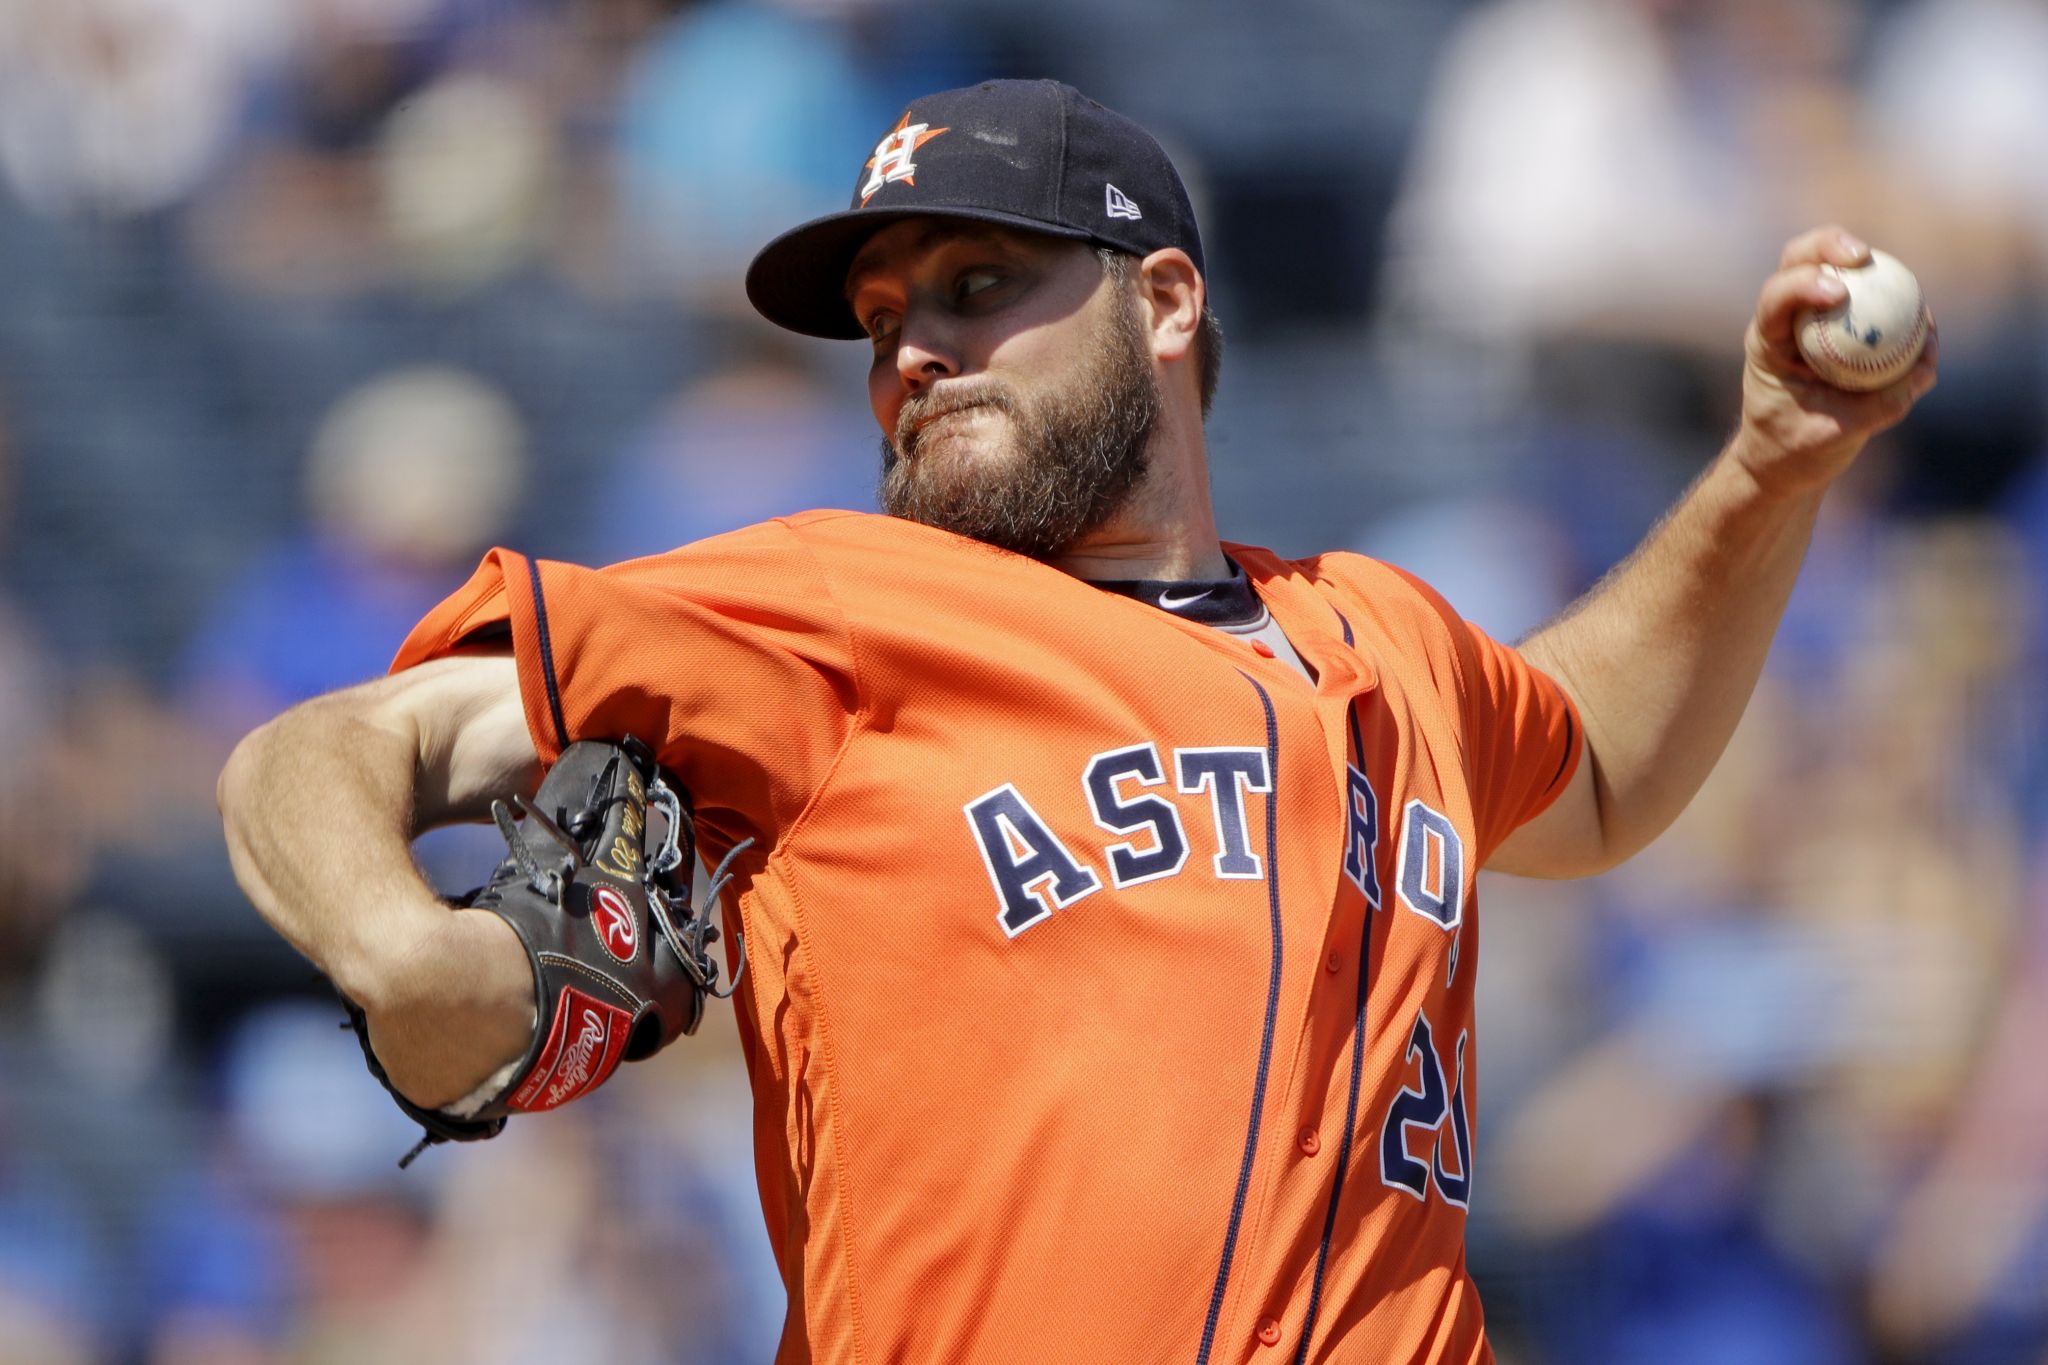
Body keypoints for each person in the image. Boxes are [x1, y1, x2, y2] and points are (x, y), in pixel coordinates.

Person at [217, 78, 1937, 1363]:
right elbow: (339, 748)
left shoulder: (1387, 634)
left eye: (978, 286)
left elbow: (1603, 765)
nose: (917, 352)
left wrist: (1772, 460)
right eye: (886, 321)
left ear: (1167, 303)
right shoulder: (829, 609)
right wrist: (409, 956)